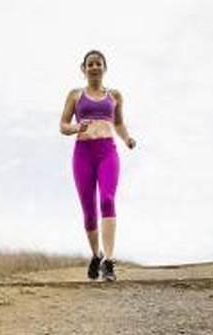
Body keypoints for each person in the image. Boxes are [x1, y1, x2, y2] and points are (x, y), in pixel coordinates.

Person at [59, 49, 136, 281]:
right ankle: (96, 254)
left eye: (98, 63)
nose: (94, 67)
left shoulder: (114, 96)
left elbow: (119, 124)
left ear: (104, 68)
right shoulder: (74, 95)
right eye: (90, 64)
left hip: (107, 152)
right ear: (83, 69)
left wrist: (127, 139)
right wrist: (76, 127)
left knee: (107, 199)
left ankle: (109, 262)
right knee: (89, 211)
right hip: (83, 153)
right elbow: (63, 125)